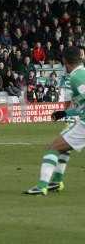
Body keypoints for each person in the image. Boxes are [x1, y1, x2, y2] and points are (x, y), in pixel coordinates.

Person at [25, 46, 85, 195]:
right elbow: (80, 107)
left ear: (65, 61)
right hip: (80, 120)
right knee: (64, 147)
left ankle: (41, 186)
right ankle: (56, 182)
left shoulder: (76, 77)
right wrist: (64, 113)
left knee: (53, 148)